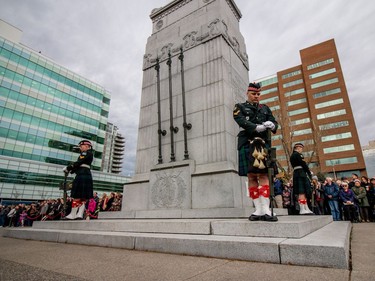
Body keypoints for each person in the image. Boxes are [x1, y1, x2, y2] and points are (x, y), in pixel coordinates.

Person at [233, 82, 278, 221]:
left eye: (258, 94)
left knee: (264, 175)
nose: (256, 96)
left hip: (262, 143)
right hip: (248, 142)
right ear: (247, 93)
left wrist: (273, 124)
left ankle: (266, 208)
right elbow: (239, 119)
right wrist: (255, 127)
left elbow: (273, 121)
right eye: (253, 94)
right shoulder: (239, 107)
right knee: (251, 176)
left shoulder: (265, 108)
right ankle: (257, 209)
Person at [63, 140, 94, 220]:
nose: (80, 148)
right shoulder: (88, 154)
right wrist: (71, 170)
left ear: (87, 146)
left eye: (81, 146)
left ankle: (73, 214)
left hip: (82, 174)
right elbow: (79, 164)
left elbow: (79, 162)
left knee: (77, 195)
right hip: (85, 174)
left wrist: (68, 168)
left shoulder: (85, 153)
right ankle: (79, 214)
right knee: (83, 197)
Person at [290, 143, 314, 215]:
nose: (301, 150)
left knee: (303, 192)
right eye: (301, 148)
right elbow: (303, 164)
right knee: (302, 191)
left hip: (298, 173)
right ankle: (302, 208)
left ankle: (305, 207)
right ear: (297, 148)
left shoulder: (292, 156)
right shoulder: (298, 155)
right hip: (300, 173)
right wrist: (308, 172)